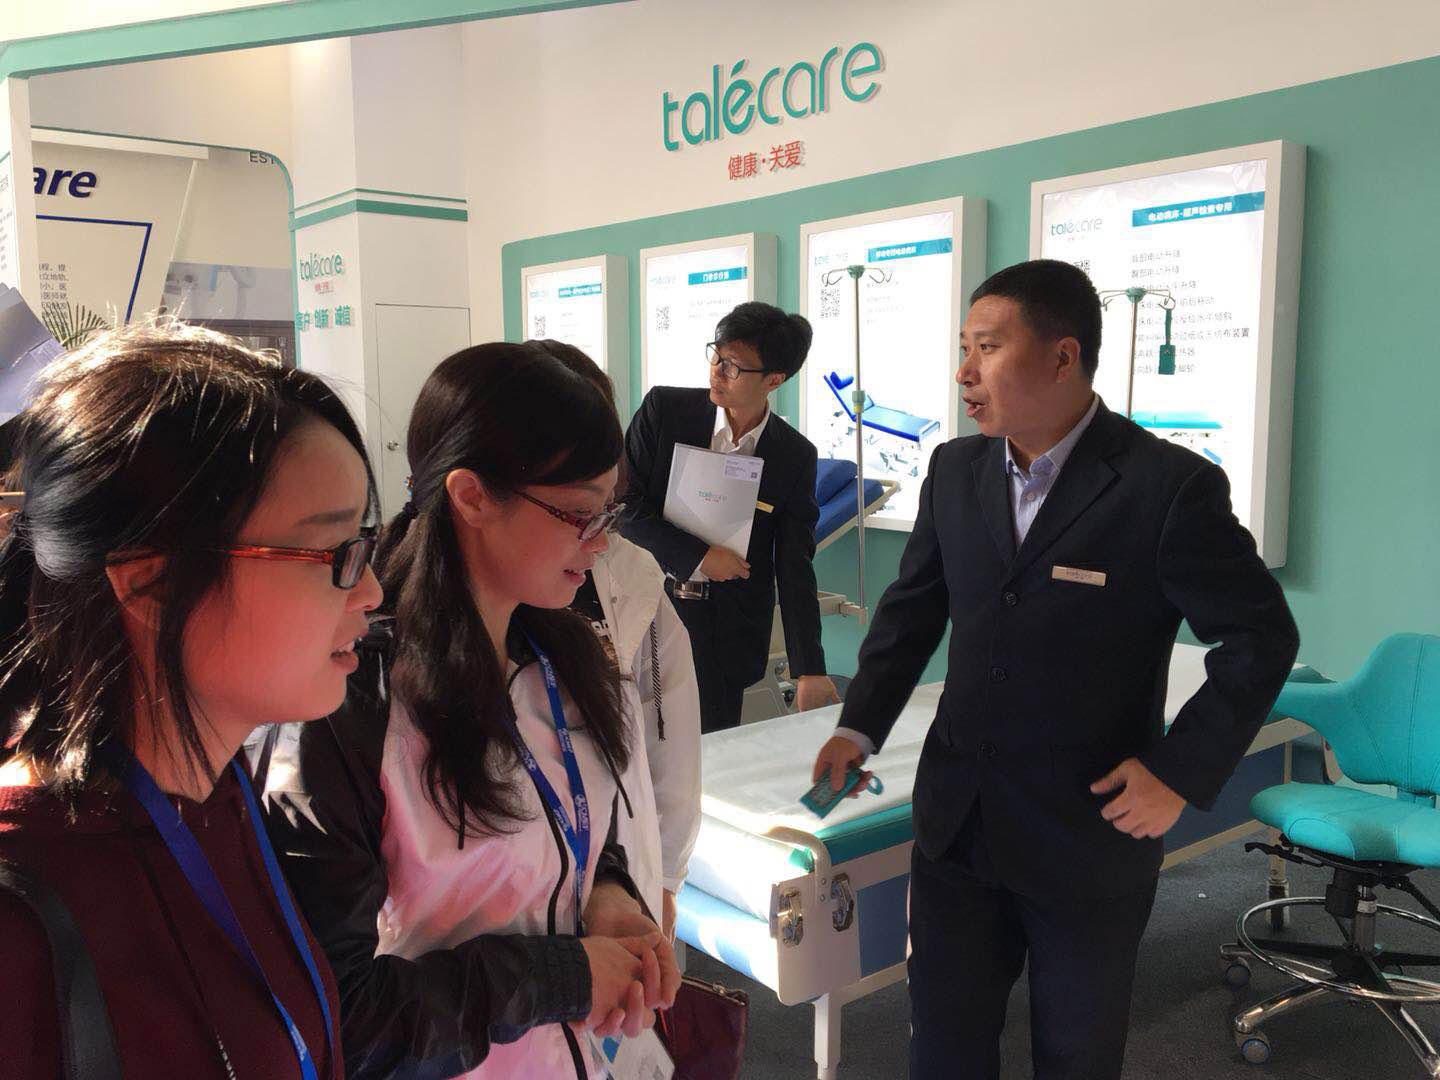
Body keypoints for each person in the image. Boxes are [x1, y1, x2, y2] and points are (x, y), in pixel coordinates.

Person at [811, 259, 1300, 1079]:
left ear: (1062, 356)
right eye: (963, 348)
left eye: (987, 347)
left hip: (1088, 832)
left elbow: (1260, 637)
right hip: (958, 822)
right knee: (943, 1044)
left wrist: (1177, 772)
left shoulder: (1165, 486)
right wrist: (858, 726)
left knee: (1075, 1053)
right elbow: (910, 614)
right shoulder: (956, 471)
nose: (965, 372)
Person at [255, 341, 680, 1080]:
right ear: (473, 496)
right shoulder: (354, 701)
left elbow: (569, 828)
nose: (602, 542)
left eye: (609, 512)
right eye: (580, 514)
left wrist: (607, 894)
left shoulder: (567, 662)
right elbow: (337, 1011)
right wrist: (561, 976)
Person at [0, 321, 378, 1078]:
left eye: (367, 545)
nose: (370, 591)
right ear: (155, 583)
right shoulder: (21, 905)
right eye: (335, 553)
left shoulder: (219, 797)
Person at [622, 301, 838, 732]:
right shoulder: (665, 411)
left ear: (774, 380)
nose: (717, 372)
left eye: (733, 366)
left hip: (728, 634)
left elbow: (794, 564)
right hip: (648, 609)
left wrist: (809, 668)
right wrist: (699, 556)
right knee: (637, 747)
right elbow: (624, 506)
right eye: (716, 356)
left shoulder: (792, 454)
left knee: (712, 755)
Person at [552, 339, 704, 942]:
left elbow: (669, 736)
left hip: (618, 883)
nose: (593, 538)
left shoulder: (630, 575)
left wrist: (662, 874)